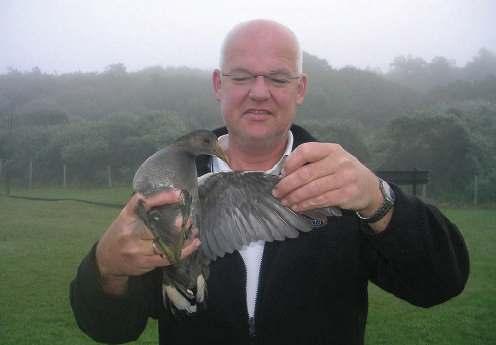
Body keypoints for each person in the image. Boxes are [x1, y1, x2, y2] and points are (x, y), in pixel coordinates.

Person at [70, 19, 469, 345]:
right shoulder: (167, 186)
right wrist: (106, 268)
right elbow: (110, 328)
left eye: (278, 78)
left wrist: (380, 201)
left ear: (301, 88)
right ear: (217, 84)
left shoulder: (343, 185)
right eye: (242, 76)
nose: (259, 93)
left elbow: (440, 283)